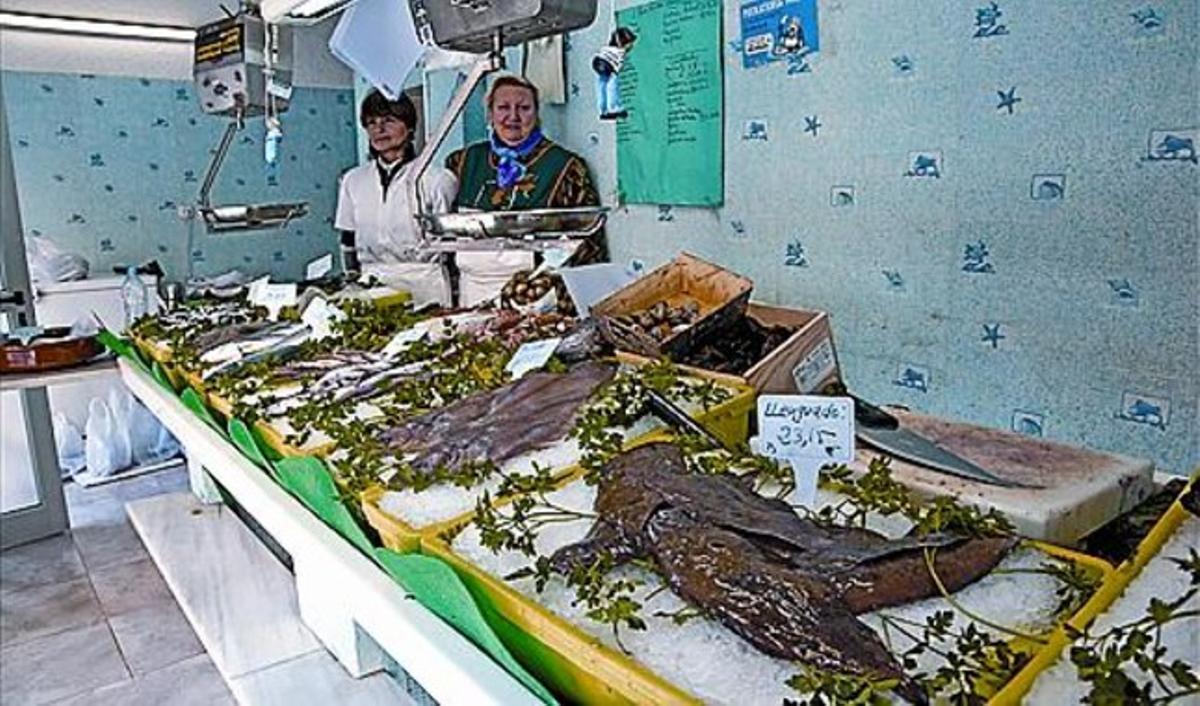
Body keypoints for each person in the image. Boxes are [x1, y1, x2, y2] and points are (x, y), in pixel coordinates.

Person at [444, 75, 605, 305]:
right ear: (490, 114)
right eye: (503, 107)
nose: (513, 116)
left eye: (524, 108)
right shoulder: (461, 162)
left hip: (534, 297)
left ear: (537, 113)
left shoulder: (566, 167)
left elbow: (588, 245)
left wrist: (558, 295)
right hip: (471, 293)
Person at [335, 90, 458, 305]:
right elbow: (347, 239)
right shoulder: (353, 180)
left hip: (425, 283)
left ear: (409, 127)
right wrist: (352, 281)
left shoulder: (438, 179)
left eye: (389, 120)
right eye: (371, 122)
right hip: (372, 283)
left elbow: (452, 245)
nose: (379, 129)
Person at [593, 27, 637, 120]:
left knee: (602, 85)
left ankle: (603, 110)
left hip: (597, 62)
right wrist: (615, 74)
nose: (631, 46)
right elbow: (617, 65)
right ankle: (614, 108)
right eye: (630, 44)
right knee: (612, 85)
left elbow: (601, 54)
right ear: (623, 43)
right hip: (607, 65)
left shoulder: (609, 48)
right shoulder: (621, 52)